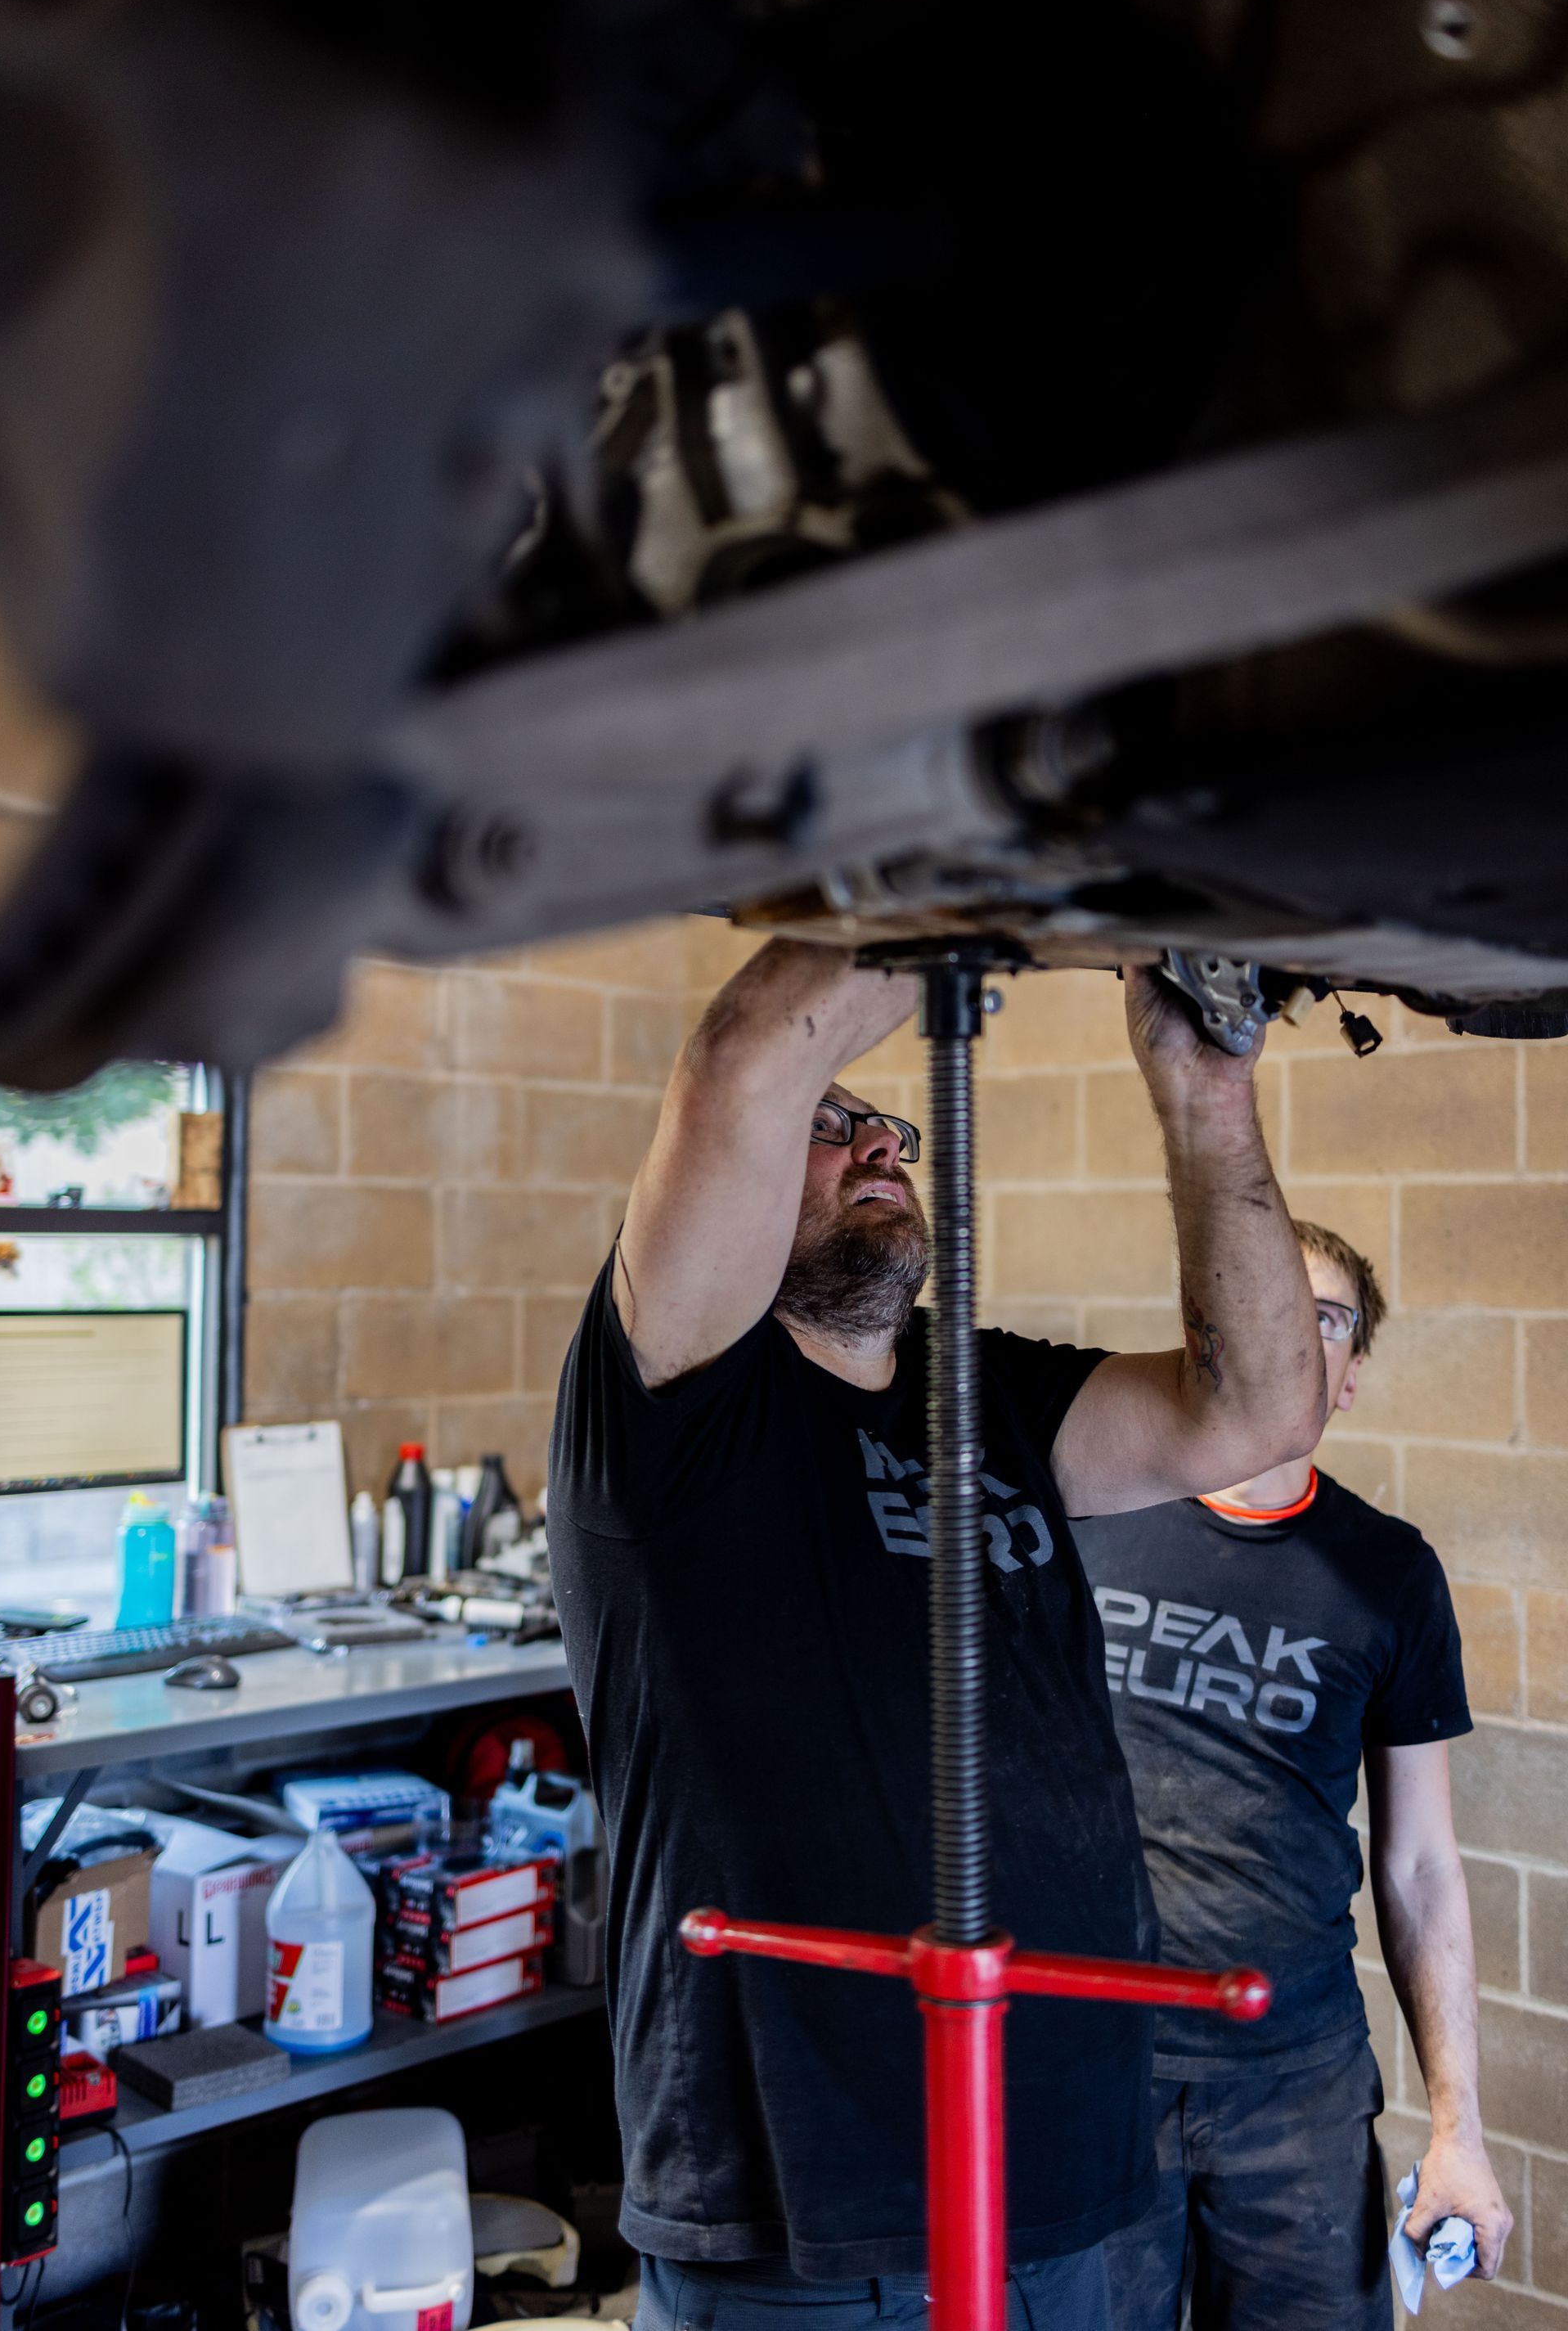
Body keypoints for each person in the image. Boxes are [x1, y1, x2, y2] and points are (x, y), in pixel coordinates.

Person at [547, 938, 1325, 2331]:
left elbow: (1259, 1412)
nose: (876, 1146)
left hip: (1068, 2171)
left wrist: (1203, 1084)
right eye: (829, 1125)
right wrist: (1019, 887)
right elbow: (742, 1059)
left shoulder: (992, 1394)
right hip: (805, 2202)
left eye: (888, 1128)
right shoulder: (671, 1403)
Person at [1076, 1217, 1513, 2331]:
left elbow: (1419, 1866)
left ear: (1351, 1372)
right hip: (1091, 2073)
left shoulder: (1389, 1574)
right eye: (1263, 1304)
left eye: (1324, 1318)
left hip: (1298, 2089)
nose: (1292, 1336)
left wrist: (1459, 2130)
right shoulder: (1088, 1516)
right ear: (1204, 1332)